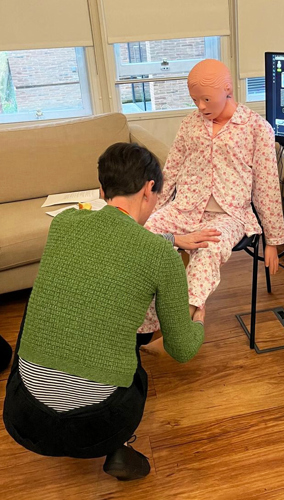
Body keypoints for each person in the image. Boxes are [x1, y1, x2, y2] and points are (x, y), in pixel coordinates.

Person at [3, 143, 214, 480]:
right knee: (133, 358)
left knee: (43, 306)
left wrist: (173, 237)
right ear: (149, 189)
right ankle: (119, 444)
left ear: (102, 190)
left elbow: (117, 237)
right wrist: (200, 319)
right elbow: (182, 349)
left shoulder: (65, 223)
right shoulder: (161, 257)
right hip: (98, 421)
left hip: (23, 414)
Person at [138, 59, 284, 351]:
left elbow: (267, 187)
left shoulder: (257, 128)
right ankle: (146, 325)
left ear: (228, 89)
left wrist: (273, 240)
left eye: (206, 99)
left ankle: (181, 327)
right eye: (195, 100)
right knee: (147, 238)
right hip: (186, 206)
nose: (201, 106)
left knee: (207, 249)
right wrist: (150, 216)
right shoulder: (190, 124)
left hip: (229, 215)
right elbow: (172, 170)